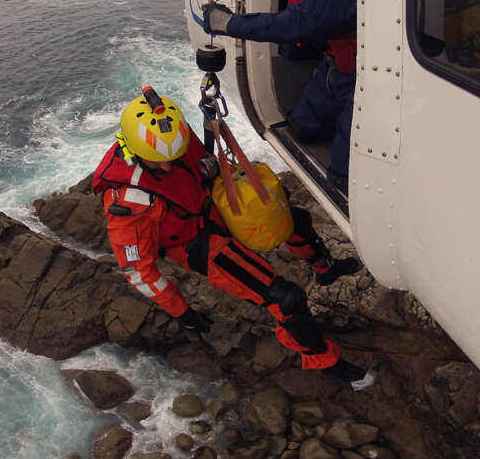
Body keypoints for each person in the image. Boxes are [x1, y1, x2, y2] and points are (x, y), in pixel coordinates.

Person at [92, 86, 372, 387]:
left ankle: (324, 269)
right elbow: (138, 270)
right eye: (159, 162)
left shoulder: (170, 139)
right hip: (196, 243)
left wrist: (213, 168)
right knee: (286, 299)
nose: (168, 165)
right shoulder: (127, 201)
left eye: (172, 156)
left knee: (294, 220)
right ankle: (323, 360)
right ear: (136, 151)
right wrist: (182, 310)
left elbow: (196, 164)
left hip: (210, 204)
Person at [201, 0, 358, 191]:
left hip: (364, 77)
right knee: (300, 128)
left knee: (342, 177)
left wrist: (230, 23)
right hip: (337, 65)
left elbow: (304, 21)